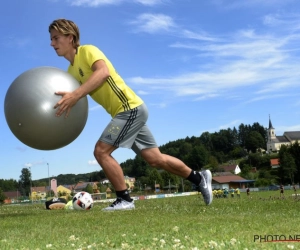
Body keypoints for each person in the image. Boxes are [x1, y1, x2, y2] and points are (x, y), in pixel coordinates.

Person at [48, 19, 213, 211]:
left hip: (129, 109)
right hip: (127, 113)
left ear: (70, 37)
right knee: (155, 159)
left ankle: (125, 199)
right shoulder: (71, 71)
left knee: (101, 152)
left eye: (56, 38)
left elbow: (103, 73)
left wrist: (75, 95)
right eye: (51, 39)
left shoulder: (88, 51)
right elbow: (75, 98)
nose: (52, 43)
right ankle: (199, 177)